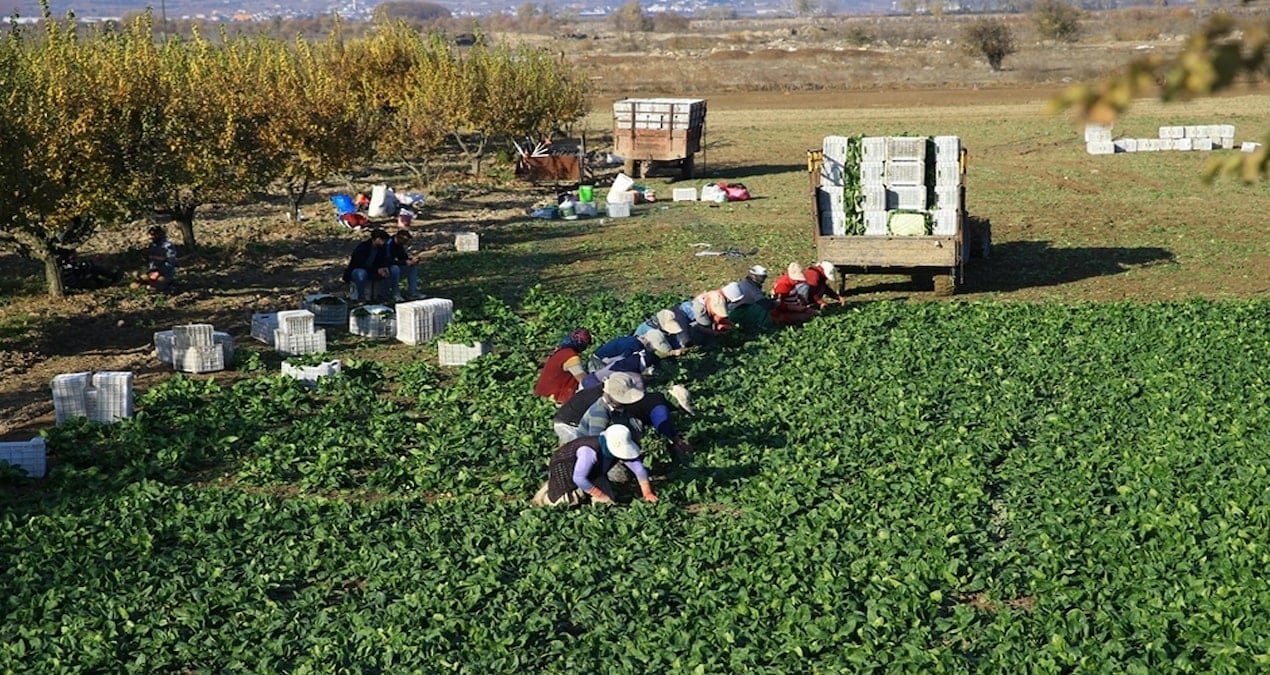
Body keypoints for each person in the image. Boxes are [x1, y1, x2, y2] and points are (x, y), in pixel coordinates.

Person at [554, 373, 695, 466]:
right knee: (597, 463)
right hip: (569, 423)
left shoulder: (618, 400)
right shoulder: (600, 411)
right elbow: (596, 443)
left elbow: (633, 423)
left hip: (580, 417)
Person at [530, 424, 658, 507]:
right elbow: (579, 478)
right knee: (560, 504)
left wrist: (647, 493)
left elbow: (638, 469)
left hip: (594, 473)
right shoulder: (588, 452)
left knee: (609, 505)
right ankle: (545, 495)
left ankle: (591, 496)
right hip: (566, 473)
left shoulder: (617, 446)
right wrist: (600, 495)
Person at [580, 330, 676, 388]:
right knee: (605, 385)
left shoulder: (634, 340)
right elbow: (622, 363)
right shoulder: (635, 345)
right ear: (648, 342)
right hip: (598, 362)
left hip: (604, 360)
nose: (652, 350)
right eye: (653, 348)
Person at [532, 328, 593, 405]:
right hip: (555, 398)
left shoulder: (559, 352)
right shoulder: (571, 357)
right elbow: (585, 381)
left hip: (542, 396)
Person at [343, 228, 392, 302]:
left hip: (373, 270)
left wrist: (385, 267)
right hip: (358, 270)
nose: (384, 243)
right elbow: (359, 264)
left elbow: (384, 259)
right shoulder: (363, 247)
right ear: (377, 239)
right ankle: (360, 297)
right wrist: (376, 270)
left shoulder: (382, 248)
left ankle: (383, 295)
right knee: (361, 273)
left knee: (392, 271)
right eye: (383, 241)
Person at [770, 262, 819, 326]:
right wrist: (796, 308)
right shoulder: (783, 285)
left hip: (793, 307)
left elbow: (791, 293)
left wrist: (800, 297)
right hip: (782, 313)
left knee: (812, 312)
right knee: (806, 317)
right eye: (796, 280)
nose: (797, 282)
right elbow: (778, 305)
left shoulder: (791, 282)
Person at [133, 225, 177, 292]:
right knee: (135, 284)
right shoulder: (152, 246)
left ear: (159, 234)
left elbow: (171, 263)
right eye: (151, 235)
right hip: (152, 272)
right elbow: (149, 261)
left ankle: (167, 285)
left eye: (154, 234)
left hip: (164, 273)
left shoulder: (168, 246)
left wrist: (159, 272)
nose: (151, 237)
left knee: (153, 287)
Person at [384, 229, 421, 301]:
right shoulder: (388, 244)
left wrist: (411, 260)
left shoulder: (399, 246)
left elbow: (403, 258)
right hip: (385, 269)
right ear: (398, 237)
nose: (405, 243)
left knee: (412, 268)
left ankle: (412, 292)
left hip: (394, 266)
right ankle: (395, 293)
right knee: (395, 269)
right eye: (404, 241)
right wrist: (404, 262)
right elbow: (387, 261)